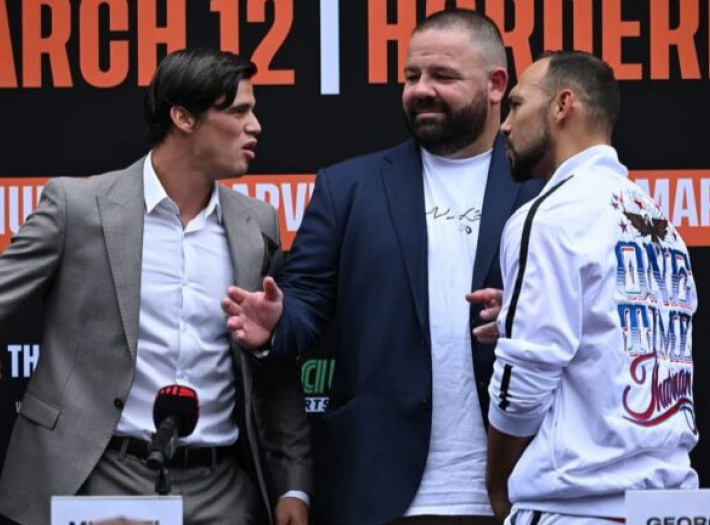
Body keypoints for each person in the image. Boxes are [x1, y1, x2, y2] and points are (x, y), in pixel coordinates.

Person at [223, 9, 543, 525]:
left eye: (442, 76)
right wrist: (277, 324)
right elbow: (305, 303)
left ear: (496, 84)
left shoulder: (546, 190)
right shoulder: (348, 187)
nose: (421, 90)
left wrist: (531, 313)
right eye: (412, 75)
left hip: (519, 491)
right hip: (379, 494)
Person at [0, 49, 312, 525]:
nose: (256, 126)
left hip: (223, 489)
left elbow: (274, 372)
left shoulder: (259, 224)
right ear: (183, 118)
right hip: (102, 476)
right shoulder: (78, 207)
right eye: (238, 111)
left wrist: (292, 484)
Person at [486, 51, 699, 524]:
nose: (504, 125)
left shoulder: (550, 216)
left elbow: (523, 383)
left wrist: (497, 485)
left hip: (580, 506)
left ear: (562, 105)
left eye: (516, 104)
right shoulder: (661, 225)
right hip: (672, 506)